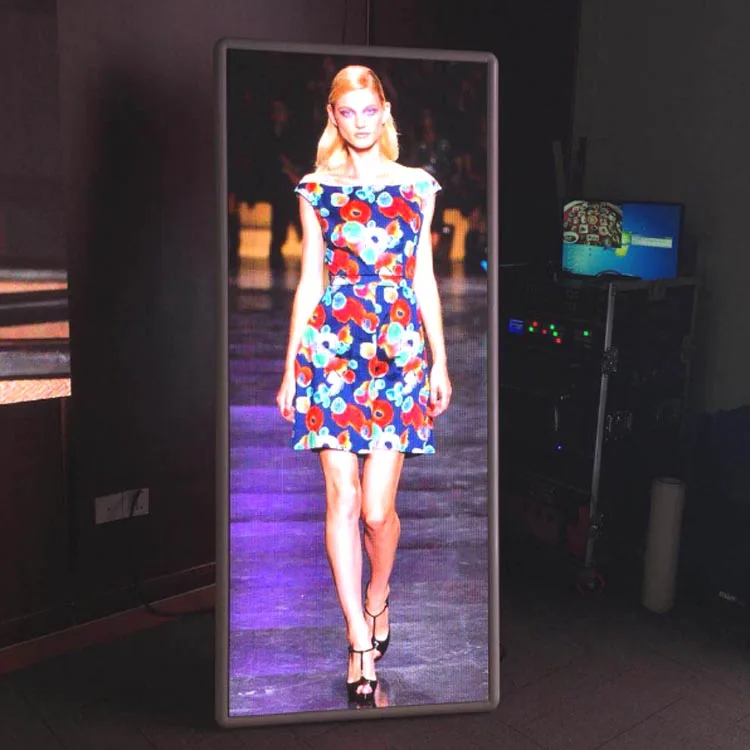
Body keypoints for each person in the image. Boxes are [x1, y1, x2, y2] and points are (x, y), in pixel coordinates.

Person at [275, 65, 452, 704]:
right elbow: (311, 279)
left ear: (385, 112)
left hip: (398, 352)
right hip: (331, 353)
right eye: (346, 112)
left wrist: (439, 360)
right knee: (342, 499)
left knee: (378, 514)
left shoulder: (417, 186)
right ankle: (356, 637)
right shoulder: (315, 188)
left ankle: (379, 594)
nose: (359, 122)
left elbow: (423, 276)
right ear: (333, 116)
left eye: (369, 110)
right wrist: (291, 366)